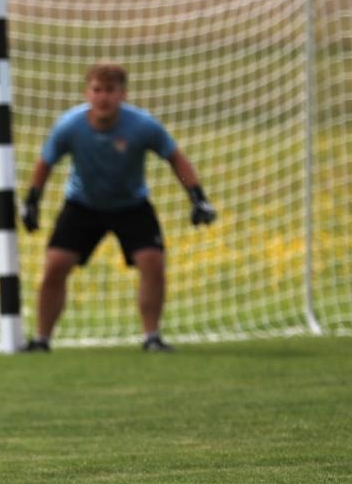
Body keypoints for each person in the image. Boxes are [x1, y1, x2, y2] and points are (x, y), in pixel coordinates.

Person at [19, 61, 216, 353]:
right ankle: (42, 340)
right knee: (55, 265)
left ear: (123, 95)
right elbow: (46, 162)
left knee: (152, 261)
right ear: (87, 93)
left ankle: (152, 337)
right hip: (82, 204)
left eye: (110, 90)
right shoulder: (70, 126)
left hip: (131, 205)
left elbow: (175, 158)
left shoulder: (142, 125)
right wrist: (32, 202)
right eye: (97, 90)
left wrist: (197, 197)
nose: (103, 97)